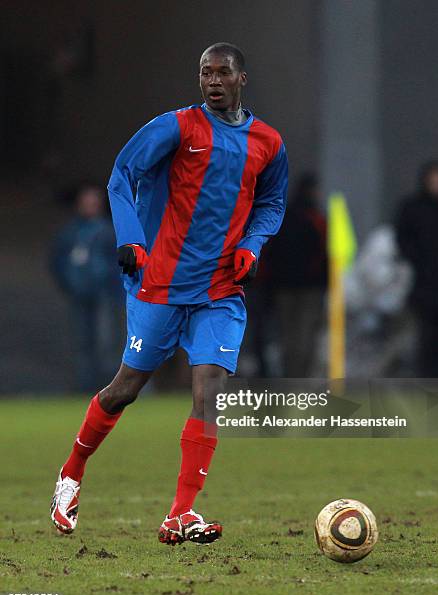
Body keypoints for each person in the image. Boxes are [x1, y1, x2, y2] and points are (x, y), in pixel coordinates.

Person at [50, 42, 288, 546]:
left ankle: (180, 513)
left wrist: (252, 244)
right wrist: (131, 238)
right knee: (124, 389)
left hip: (220, 288)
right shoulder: (176, 127)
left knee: (208, 393)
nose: (213, 80)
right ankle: (71, 472)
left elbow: (271, 202)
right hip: (160, 283)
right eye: (206, 72)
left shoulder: (268, 142)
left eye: (223, 72)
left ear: (242, 78)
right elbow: (121, 176)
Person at [50, 184, 122, 391]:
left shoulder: (109, 231)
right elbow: (57, 261)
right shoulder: (70, 233)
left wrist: (115, 291)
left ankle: (111, 390)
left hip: (104, 296)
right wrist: (69, 284)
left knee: (106, 342)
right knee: (82, 343)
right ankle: (85, 388)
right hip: (79, 295)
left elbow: (119, 264)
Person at [395, 160, 438, 377]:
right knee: (424, 335)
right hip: (422, 283)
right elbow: (403, 239)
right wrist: (417, 260)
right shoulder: (413, 208)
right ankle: (425, 375)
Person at [268, 173, 327, 377]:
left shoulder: (283, 217)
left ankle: (289, 374)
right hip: (308, 287)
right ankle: (300, 376)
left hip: (285, 285)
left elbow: (272, 252)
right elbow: (323, 253)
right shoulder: (316, 219)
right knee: (304, 334)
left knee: (288, 335)